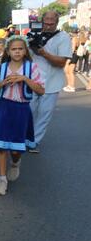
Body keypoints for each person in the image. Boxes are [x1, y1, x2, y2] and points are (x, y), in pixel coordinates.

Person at [0, 36, 45, 195]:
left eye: (20, 48)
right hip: (3, 108)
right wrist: (1, 84)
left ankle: (15, 162)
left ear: (25, 51)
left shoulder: (31, 68)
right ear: (8, 51)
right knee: (1, 146)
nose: (17, 51)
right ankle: (2, 179)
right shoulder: (2, 68)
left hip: (21, 109)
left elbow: (41, 90)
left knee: (15, 148)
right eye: (14, 49)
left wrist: (25, 79)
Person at [29, 11, 72, 153]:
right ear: (42, 21)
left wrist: (43, 53)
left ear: (57, 22)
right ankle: (24, 138)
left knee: (44, 114)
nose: (48, 24)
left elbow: (61, 62)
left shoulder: (63, 37)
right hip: (32, 81)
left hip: (51, 83)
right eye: (46, 21)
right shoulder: (33, 35)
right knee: (28, 112)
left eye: (51, 22)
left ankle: (34, 142)